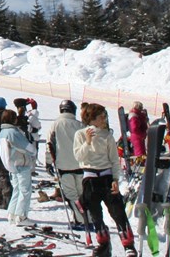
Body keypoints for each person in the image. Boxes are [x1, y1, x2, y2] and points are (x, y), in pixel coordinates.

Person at [73, 103, 137, 257]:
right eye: (101, 117)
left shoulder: (107, 135)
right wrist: (87, 142)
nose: (104, 119)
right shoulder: (80, 135)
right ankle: (103, 243)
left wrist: (116, 179)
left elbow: (114, 160)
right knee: (95, 213)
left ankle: (128, 245)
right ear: (92, 119)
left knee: (117, 211)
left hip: (107, 177)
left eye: (105, 116)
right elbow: (79, 157)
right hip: (90, 178)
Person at [45, 100, 85, 225]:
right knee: (81, 193)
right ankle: (86, 217)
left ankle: (81, 220)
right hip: (80, 165)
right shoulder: (80, 125)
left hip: (63, 166)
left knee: (72, 195)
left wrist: (48, 162)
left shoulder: (55, 125)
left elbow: (49, 146)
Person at [0, 109, 35, 225]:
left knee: (17, 190)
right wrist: (33, 152)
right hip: (21, 164)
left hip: (12, 165)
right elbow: (28, 147)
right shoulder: (13, 132)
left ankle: (12, 214)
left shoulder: (2, 132)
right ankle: (21, 217)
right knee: (25, 191)